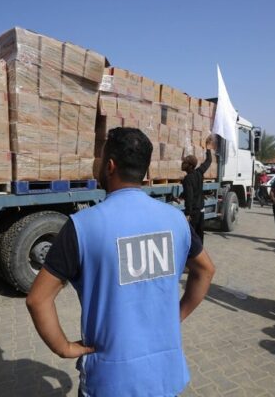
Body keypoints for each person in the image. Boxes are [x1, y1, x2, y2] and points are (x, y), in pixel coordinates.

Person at [26, 127, 215, 397]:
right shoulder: (175, 219)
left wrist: (63, 347)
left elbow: (37, 299)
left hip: (110, 380)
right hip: (164, 376)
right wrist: (177, 315)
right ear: (145, 171)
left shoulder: (82, 226)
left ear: (110, 166)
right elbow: (206, 270)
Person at [181, 135, 215, 244]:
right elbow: (209, 161)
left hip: (194, 212)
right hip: (201, 209)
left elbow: (190, 197)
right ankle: (200, 251)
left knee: (192, 236)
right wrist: (208, 149)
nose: (183, 163)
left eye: (185, 162)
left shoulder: (187, 179)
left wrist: (187, 214)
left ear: (189, 166)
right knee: (200, 235)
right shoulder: (199, 172)